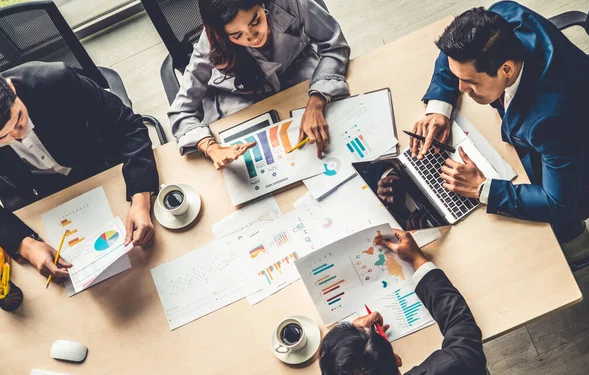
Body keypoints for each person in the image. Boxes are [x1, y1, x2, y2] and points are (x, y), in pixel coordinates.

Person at [410, 2, 589, 243]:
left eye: (471, 82)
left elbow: (557, 202)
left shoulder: (549, 122)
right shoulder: (501, 16)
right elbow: (453, 55)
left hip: (583, 157)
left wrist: (482, 188)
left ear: (506, 69)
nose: (460, 88)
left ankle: (567, 232)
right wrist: (439, 107)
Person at [0, 62, 159, 280]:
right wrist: (24, 244)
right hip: (39, 198)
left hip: (98, 169)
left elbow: (128, 127)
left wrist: (140, 198)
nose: (18, 136)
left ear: (12, 88)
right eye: (3, 137)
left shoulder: (55, 80)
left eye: (19, 119)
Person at [312, 230, 496, 375]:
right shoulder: (454, 368)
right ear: (396, 360)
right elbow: (460, 325)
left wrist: (346, 346)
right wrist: (418, 260)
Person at [169, 0, 350, 167]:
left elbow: (334, 46)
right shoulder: (209, 43)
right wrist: (209, 147)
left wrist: (318, 99)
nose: (253, 37)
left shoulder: (291, 3)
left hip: (296, 71)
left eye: (255, 21)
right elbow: (181, 110)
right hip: (241, 97)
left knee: (334, 133)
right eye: (236, 35)